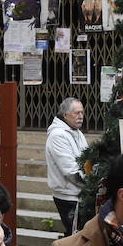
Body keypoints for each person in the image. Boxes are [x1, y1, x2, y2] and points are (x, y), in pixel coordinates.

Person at [47, 98, 88, 236]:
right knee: (75, 237)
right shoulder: (58, 135)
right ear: (65, 115)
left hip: (79, 195)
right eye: (76, 113)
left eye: (82, 112)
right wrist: (90, 185)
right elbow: (71, 171)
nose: (81, 116)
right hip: (68, 196)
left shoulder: (77, 132)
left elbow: (86, 160)